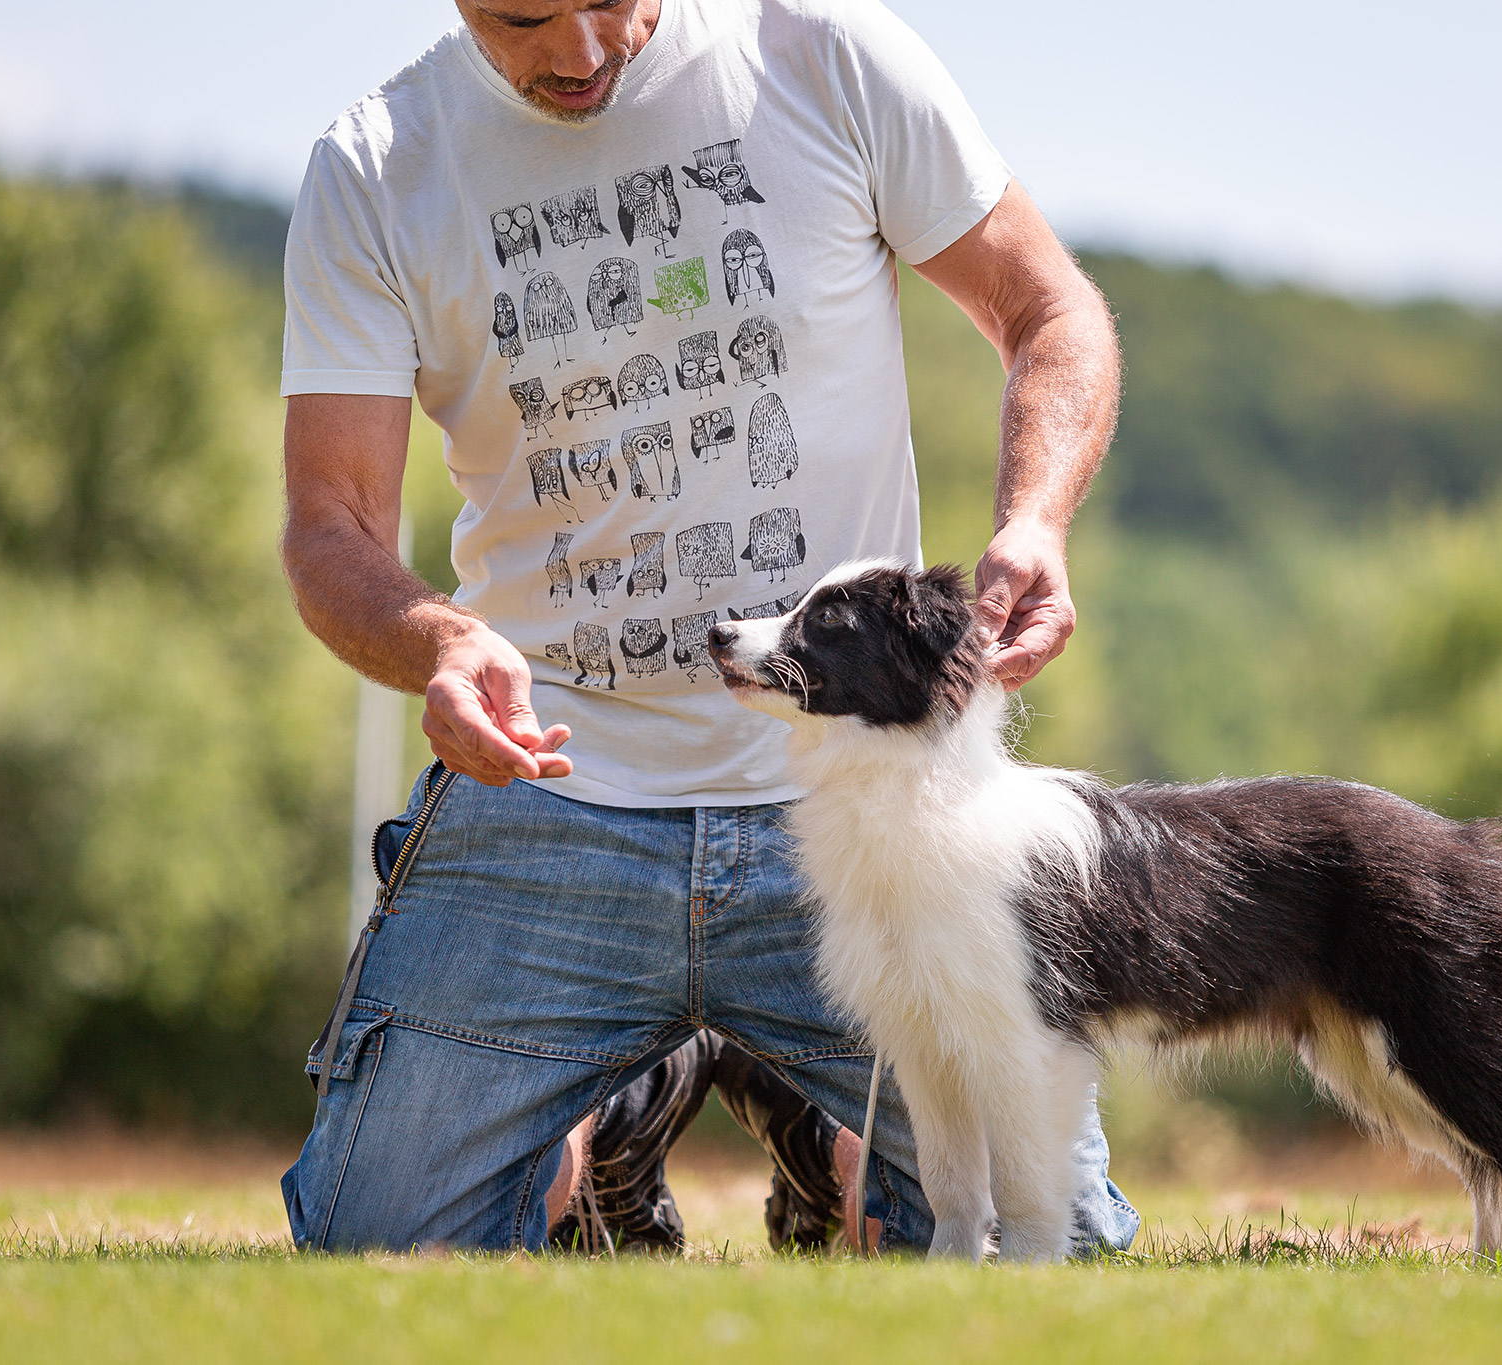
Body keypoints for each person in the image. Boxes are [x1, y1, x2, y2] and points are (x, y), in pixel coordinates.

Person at [278, 0, 1134, 1255]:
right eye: (523, 17)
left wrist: (1036, 519)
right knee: (374, 1239)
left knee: (1047, 1239)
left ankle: (803, 1117)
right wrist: (441, 645)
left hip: (855, 808)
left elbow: (1048, 313)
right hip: (556, 795)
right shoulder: (376, 165)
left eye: (609, 4)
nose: (575, 54)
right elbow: (329, 526)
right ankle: (621, 1100)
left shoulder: (826, 54)